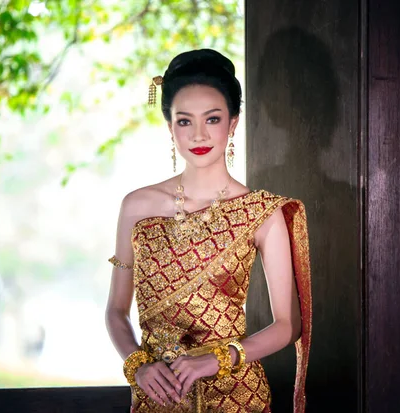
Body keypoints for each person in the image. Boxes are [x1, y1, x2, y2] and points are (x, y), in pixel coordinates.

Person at [105, 49, 312, 413]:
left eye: (212, 119)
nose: (198, 134)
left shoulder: (261, 212)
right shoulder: (136, 207)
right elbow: (115, 310)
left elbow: (287, 324)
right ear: (170, 126)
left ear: (232, 123)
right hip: (159, 393)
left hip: (236, 393)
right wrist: (137, 365)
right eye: (185, 121)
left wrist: (219, 359)